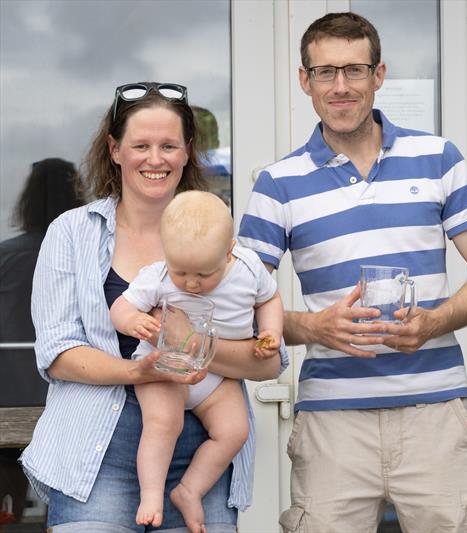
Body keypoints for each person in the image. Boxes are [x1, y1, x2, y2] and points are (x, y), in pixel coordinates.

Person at [238, 11, 467, 533]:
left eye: (354, 71)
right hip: (332, 423)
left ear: (378, 75)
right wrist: (314, 327)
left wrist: (434, 321)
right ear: (305, 81)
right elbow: (244, 306)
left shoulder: (438, 158)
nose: (341, 87)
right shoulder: (277, 183)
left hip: (436, 414)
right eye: (325, 73)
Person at [20, 82, 288, 532]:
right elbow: (58, 352)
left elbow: (267, 364)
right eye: (140, 145)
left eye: (169, 145)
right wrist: (140, 371)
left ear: (187, 153)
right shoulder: (72, 232)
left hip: (203, 440)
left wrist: (191, 341)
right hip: (96, 448)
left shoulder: (220, 237)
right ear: (115, 149)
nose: (155, 158)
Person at [110, 190, 284, 531]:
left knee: (235, 431)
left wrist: (270, 332)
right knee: (163, 424)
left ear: (229, 251)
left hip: (217, 376)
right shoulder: (158, 275)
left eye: (204, 275)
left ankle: (190, 490)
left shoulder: (248, 268)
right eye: (182, 272)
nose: (191, 283)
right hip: (165, 368)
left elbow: (270, 299)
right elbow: (121, 306)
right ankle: (151, 494)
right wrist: (132, 321)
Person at [0, 157, 83, 526]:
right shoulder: (91, 254)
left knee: (8, 486)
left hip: (8, 393)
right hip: (71, 388)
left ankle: (14, 518)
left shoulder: (6, 255)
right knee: (69, 489)